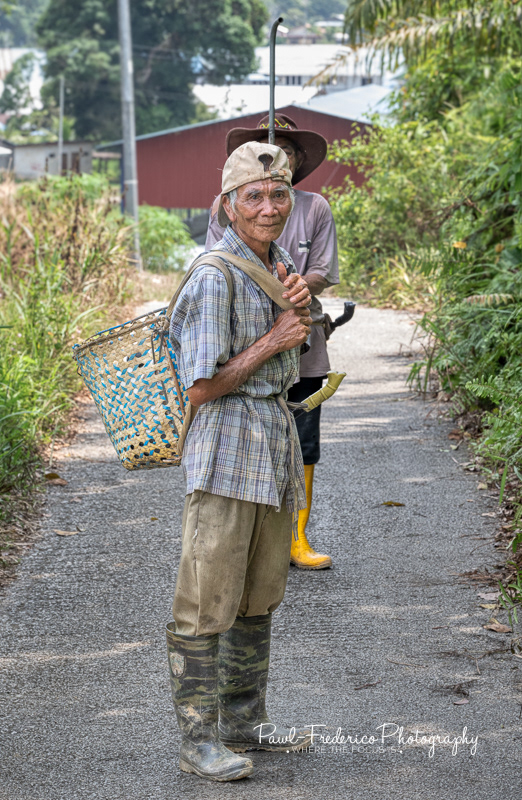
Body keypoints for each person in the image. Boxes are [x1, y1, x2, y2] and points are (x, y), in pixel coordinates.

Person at [167, 141, 313, 782]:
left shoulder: (278, 264)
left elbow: (294, 345)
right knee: (206, 601)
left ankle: (245, 725)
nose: (268, 206)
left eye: (278, 193)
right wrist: (275, 340)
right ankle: (199, 742)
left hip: (272, 447)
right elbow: (197, 389)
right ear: (226, 205)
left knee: (259, 597)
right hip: (226, 450)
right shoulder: (213, 276)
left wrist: (299, 310)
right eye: (253, 195)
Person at [206, 113, 339, 570]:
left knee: (301, 439)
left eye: (284, 149)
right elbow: (216, 265)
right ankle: (246, 541)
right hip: (246, 342)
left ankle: (296, 536)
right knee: (242, 434)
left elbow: (323, 269)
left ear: (296, 161)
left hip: (303, 339)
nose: (268, 206)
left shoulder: (314, 207)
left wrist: (297, 288)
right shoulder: (226, 208)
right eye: (265, 146)